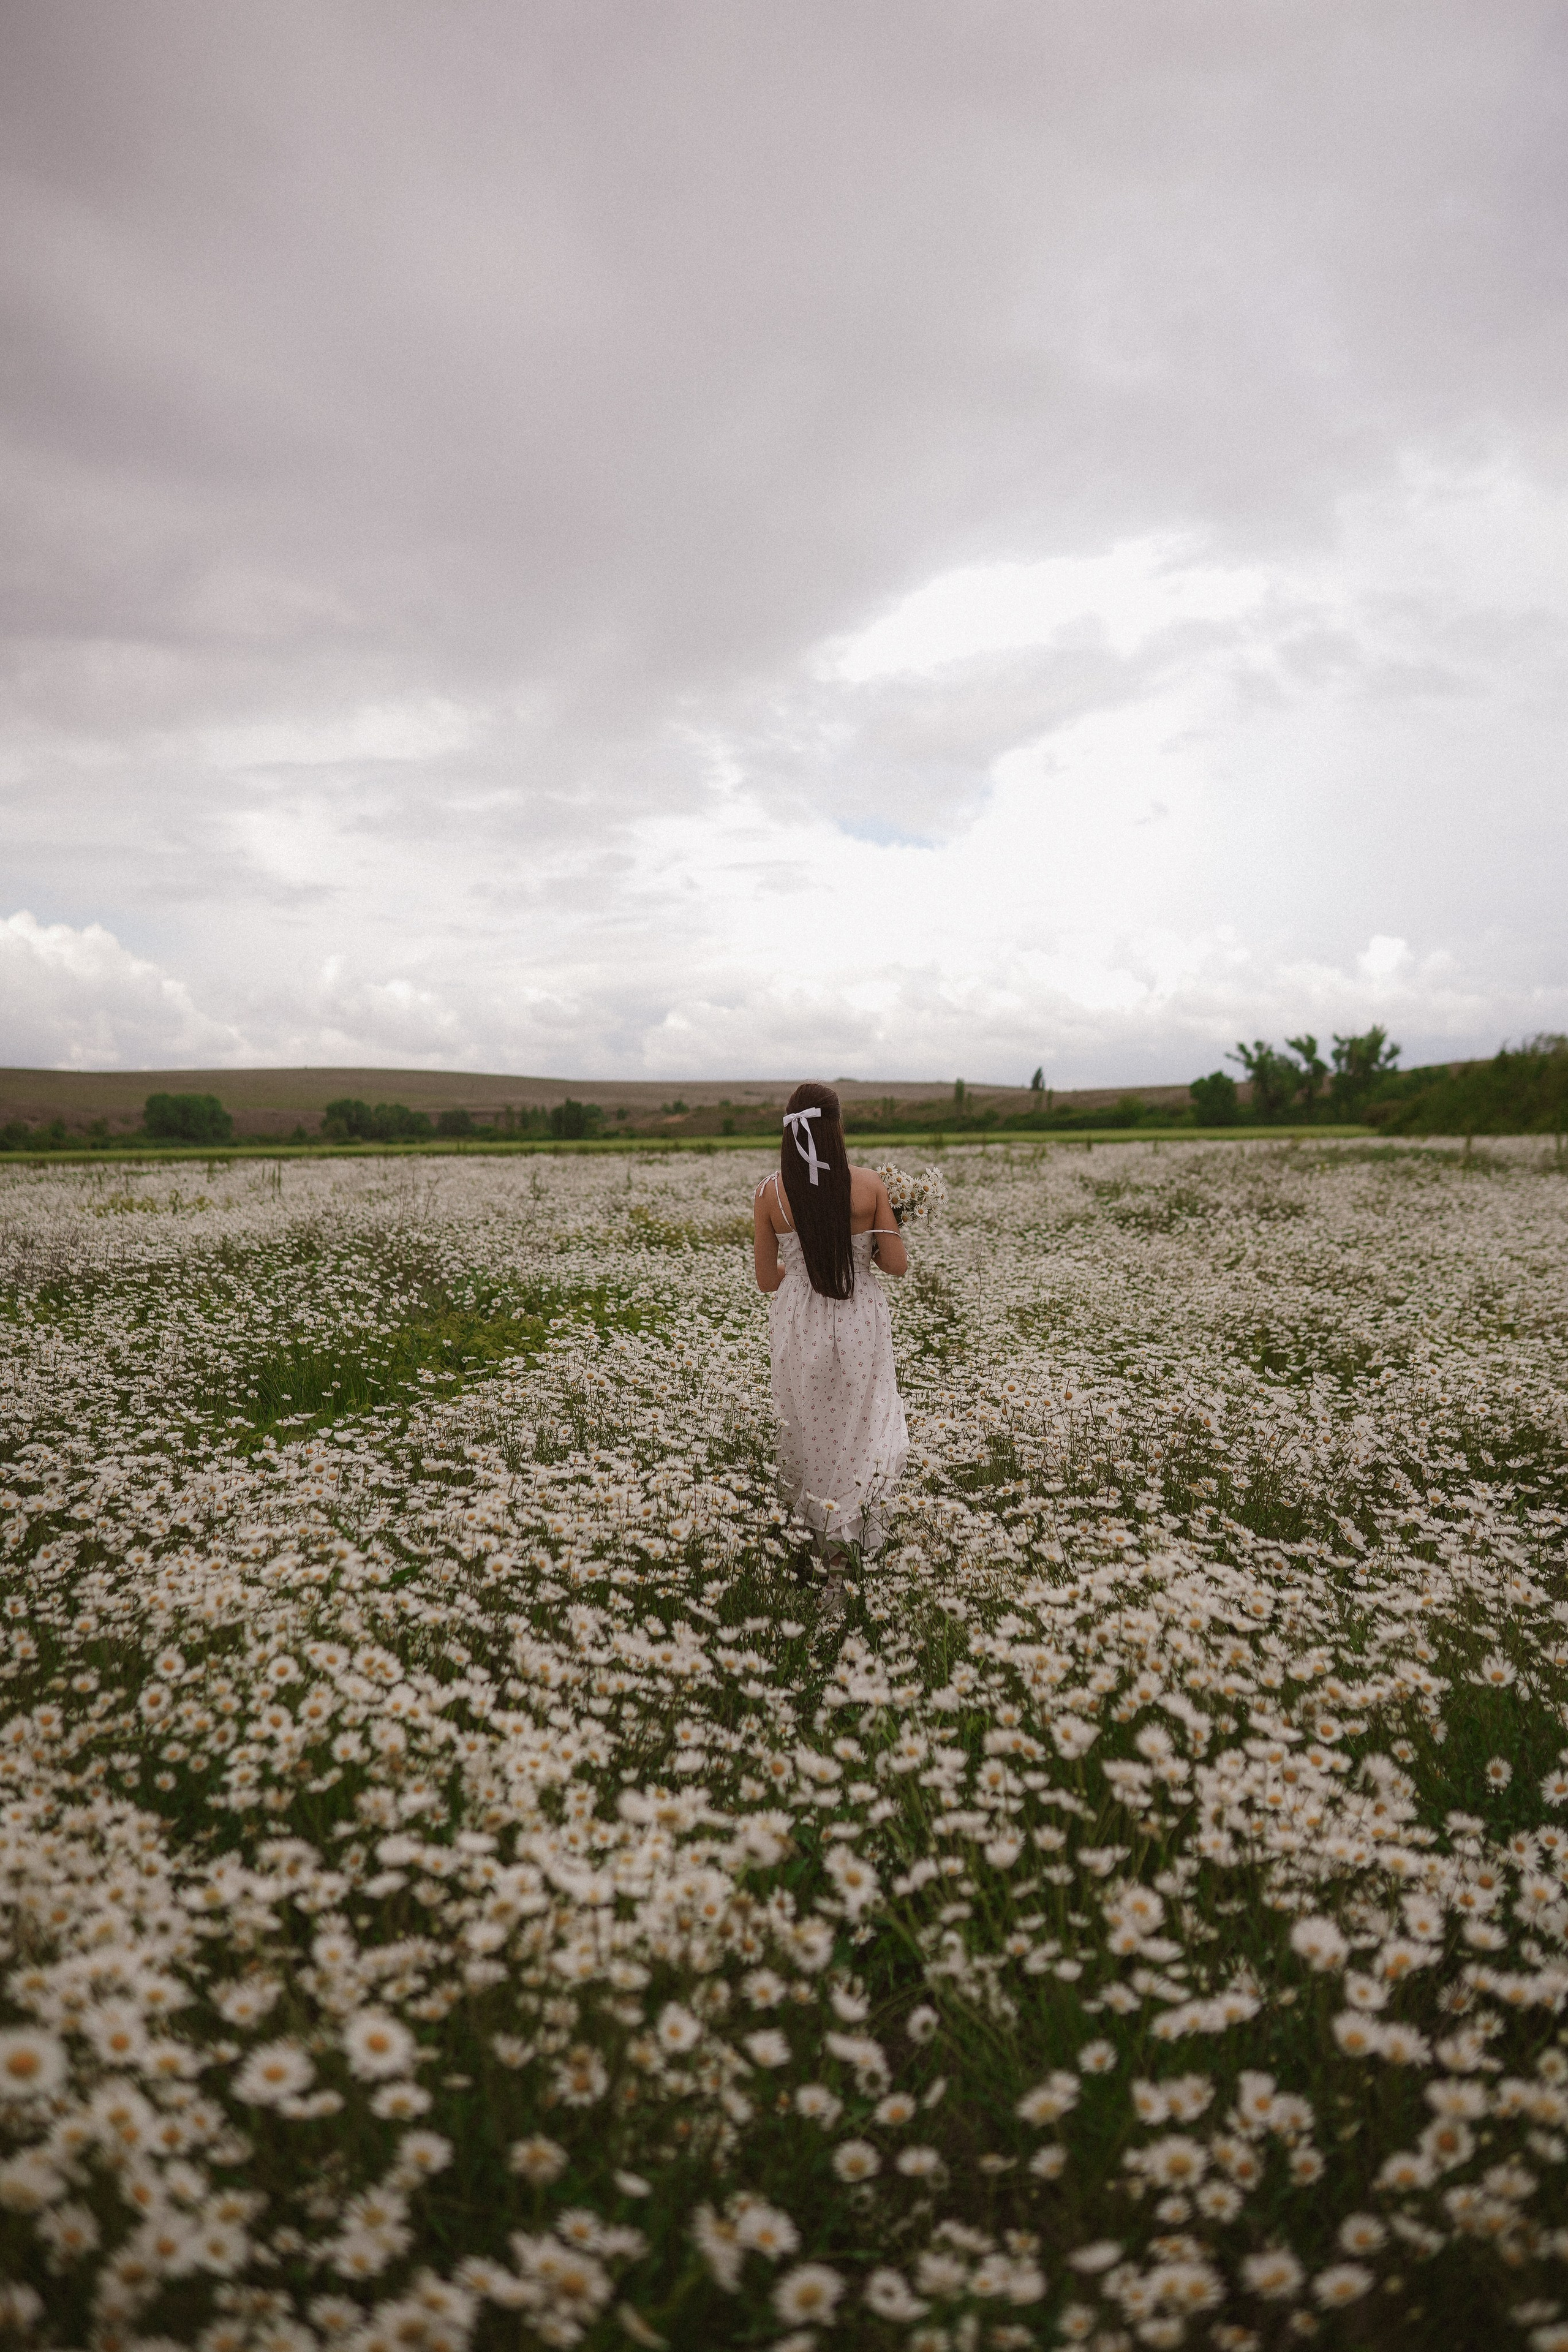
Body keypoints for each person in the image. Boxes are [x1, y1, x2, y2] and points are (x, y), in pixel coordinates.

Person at [752, 1082, 909, 1584]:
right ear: (836, 1127)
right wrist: (885, 1232)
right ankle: (851, 1540)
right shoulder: (868, 1185)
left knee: (811, 1425)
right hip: (858, 1313)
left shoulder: (770, 1193)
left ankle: (818, 1542)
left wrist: (800, 1271)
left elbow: (765, 1279)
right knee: (864, 1422)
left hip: (799, 1320)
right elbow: (897, 1265)